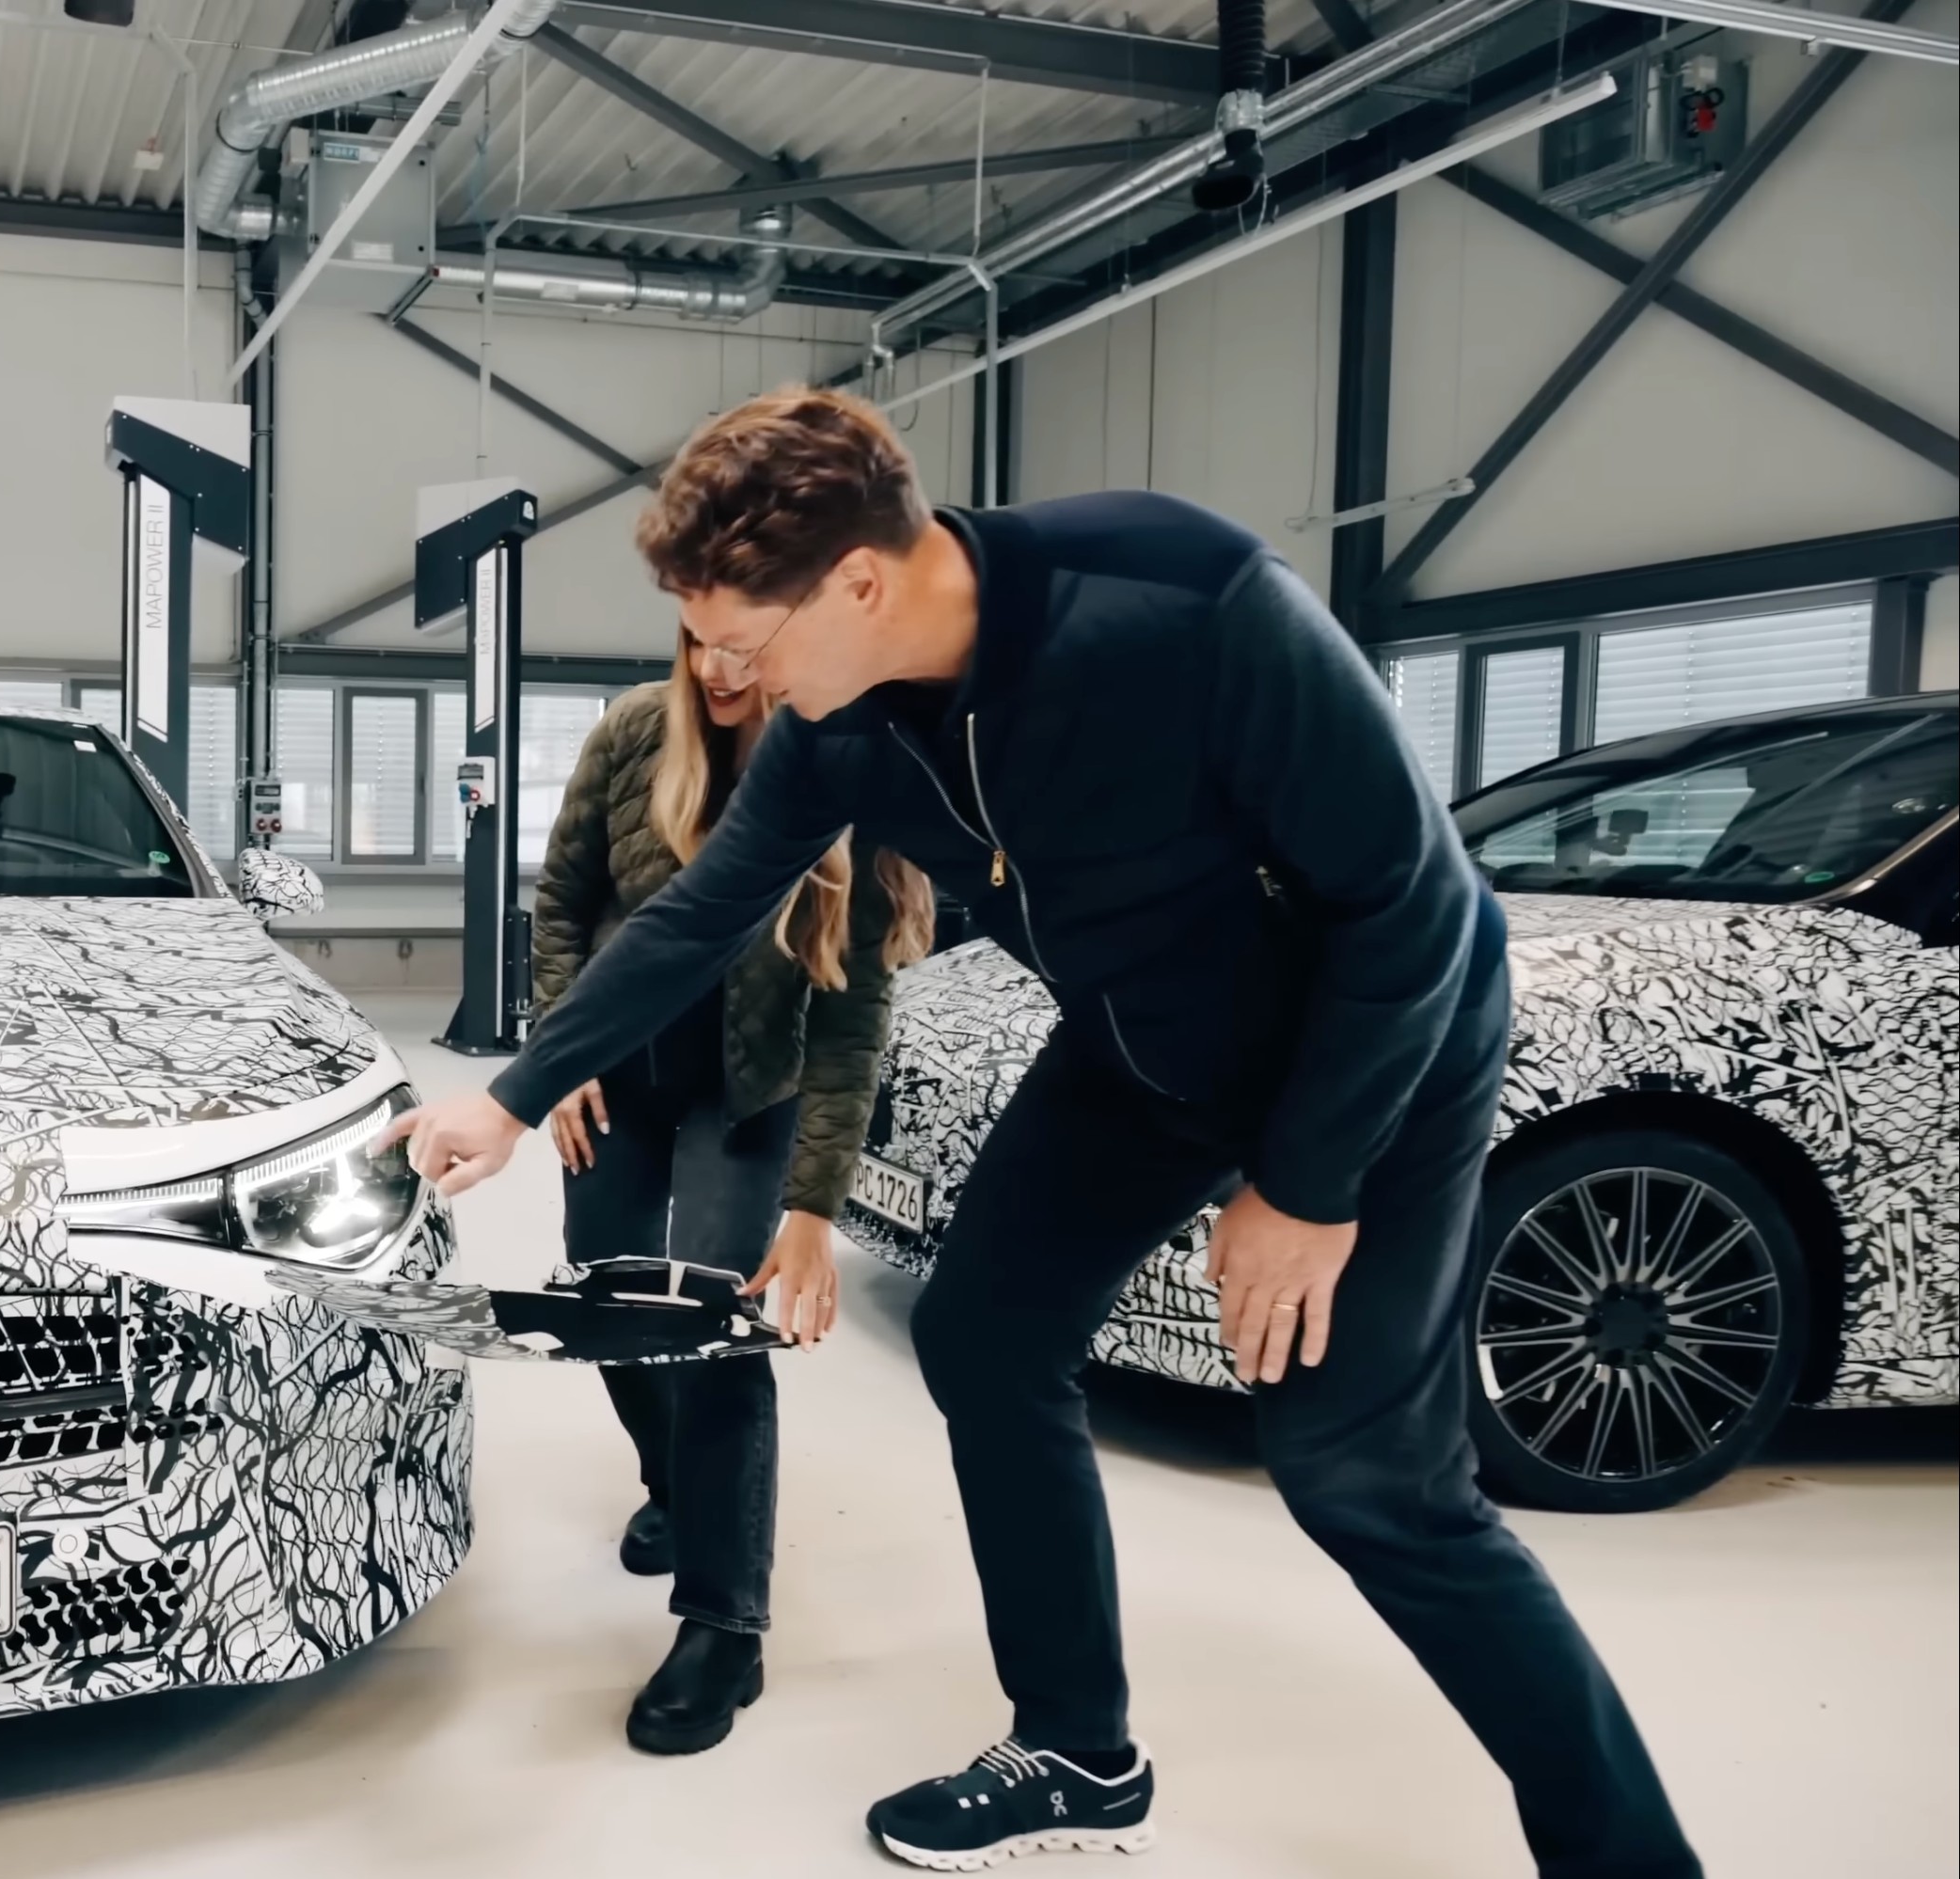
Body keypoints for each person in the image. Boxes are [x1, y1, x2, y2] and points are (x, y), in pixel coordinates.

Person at [383, 387, 1698, 1876]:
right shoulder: (844, 719)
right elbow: (704, 908)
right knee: (988, 1339)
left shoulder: (1184, 603)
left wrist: (1308, 1181)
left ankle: (1629, 1855)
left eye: (747, 639)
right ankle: (1078, 1741)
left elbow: (1413, 905)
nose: (729, 677)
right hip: (1141, 1050)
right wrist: (511, 1089)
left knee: (1366, 1479)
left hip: (1375, 1051)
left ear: (862, 582)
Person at [530, 637, 932, 1757]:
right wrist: (563, 1058)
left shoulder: (844, 770)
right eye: (701, 640)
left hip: (750, 1098)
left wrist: (811, 1216)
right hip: (618, 1078)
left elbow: (851, 1033)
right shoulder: (634, 734)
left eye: (746, 648)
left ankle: (724, 1622)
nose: (719, 666)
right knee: (607, 1311)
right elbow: (561, 904)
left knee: (715, 1332)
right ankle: (680, 1484)